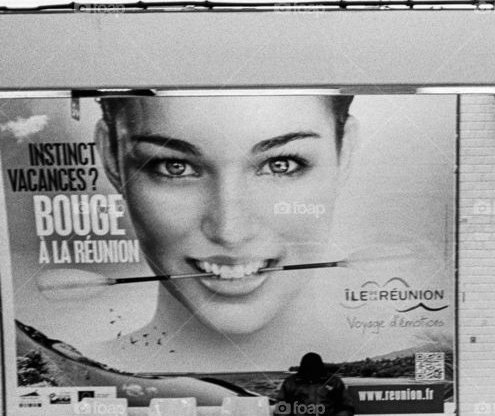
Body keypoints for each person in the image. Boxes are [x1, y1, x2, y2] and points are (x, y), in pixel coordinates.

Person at [93, 94, 356, 371]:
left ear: (345, 153)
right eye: (174, 167)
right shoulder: (61, 376)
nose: (230, 232)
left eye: (281, 164)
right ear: (111, 158)